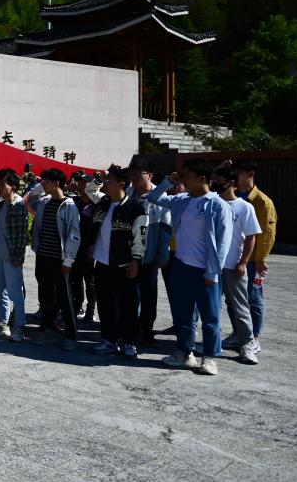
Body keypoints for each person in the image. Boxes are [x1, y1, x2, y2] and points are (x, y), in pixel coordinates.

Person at [147, 160, 233, 375]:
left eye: (187, 175)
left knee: (210, 316)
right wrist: (167, 182)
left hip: (205, 270)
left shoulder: (218, 205)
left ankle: (210, 356)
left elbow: (223, 243)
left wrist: (213, 272)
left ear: (202, 178)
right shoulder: (182, 200)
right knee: (182, 314)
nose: (183, 178)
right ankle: (185, 353)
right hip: (181, 266)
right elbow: (153, 197)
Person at [85, 168, 147, 358]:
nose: (106, 183)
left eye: (109, 180)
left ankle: (129, 342)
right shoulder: (103, 202)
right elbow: (89, 190)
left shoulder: (135, 208)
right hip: (102, 263)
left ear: (121, 184)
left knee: (128, 306)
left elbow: (140, 238)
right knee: (105, 304)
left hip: (124, 264)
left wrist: (136, 260)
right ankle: (108, 339)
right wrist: (99, 178)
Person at [211, 166, 261, 364]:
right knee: (212, 307)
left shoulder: (244, 207)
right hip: (212, 266)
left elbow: (251, 237)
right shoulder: (212, 203)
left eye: (218, 180)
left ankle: (247, 343)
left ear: (231, 183)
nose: (215, 184)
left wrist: (243, 262)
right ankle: (213, 342)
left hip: (233, 265)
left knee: (240, 307)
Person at [26, 168, 80, 350]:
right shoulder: (44, 201)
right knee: (45, 296)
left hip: (60, 259)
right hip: (43, 256)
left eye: (46, 181)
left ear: (57, 183)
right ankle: (46, 330)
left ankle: (71, 336)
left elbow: (74, 234)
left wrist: (69, 260)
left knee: (65, 298)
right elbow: (29, 201)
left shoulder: (69, 205)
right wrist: (38, 187)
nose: (43, 184)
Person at [229, 159, 277, 353]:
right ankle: (238, 333)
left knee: (253, 298)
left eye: (239, 173)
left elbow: (267, 235)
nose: (235, 176)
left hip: (252, 260)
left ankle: (254, 337)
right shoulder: (231, 195)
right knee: (233, 299)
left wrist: (261, 260)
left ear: (250, 174)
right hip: (233, 257)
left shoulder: (262, 202)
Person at [127, 157, 171, 345]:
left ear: (150, 175)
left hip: (149, 256)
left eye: (139, 173)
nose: (135, 177)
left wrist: (162, 254)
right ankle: (130, 329)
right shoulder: (128, 193)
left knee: (148, 295)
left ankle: (146, 330)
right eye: (133, 173)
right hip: (128, 254)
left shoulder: (160, 197)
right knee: (130, 295)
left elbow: (166, 228)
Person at [0, 170, 28, 342]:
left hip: (12, 257)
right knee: (0, 292)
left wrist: (18, 257)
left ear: (14, 187)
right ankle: (3, 324)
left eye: (3, 185)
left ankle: (19, 326)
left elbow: (22, 235)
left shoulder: (18, 206)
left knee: (16, 293)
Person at [68, 172, 98, 322]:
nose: (81, 186)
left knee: (90, 282)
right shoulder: (75, 201)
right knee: (76, 279)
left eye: (85, 183)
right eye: (80, 183)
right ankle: (77, 306)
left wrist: (94, 247)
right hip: (75, 248)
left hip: (89, 248)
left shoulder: (97, 204)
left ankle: (91, 311)